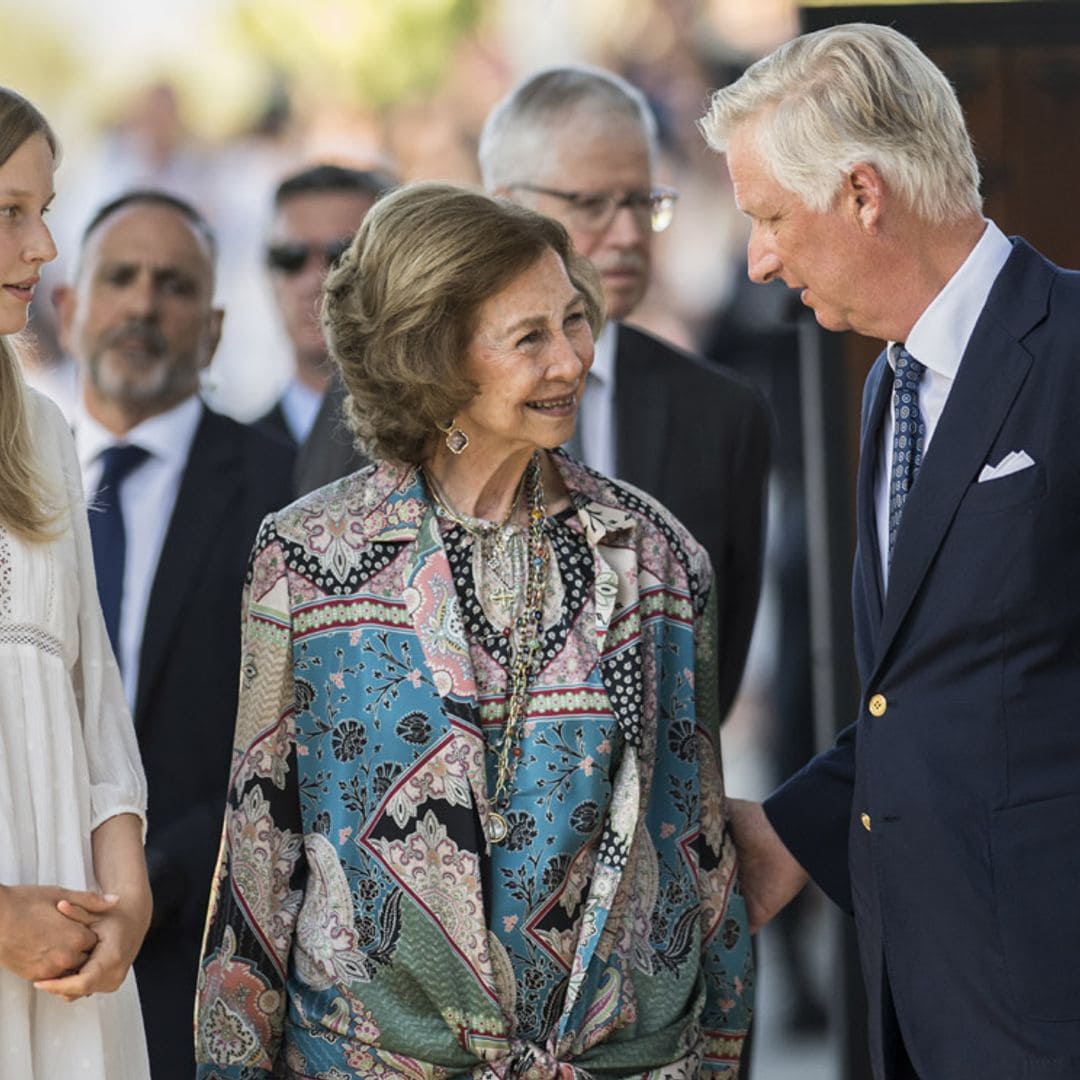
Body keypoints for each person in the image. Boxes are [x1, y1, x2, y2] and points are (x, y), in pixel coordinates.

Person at [195, 181, 753, 1078]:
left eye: (574, 321)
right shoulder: (302, 557)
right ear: (434, 356)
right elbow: (261, 852)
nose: (571, 360)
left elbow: (700, 853)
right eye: (528, 337)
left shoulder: (654, 557)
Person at [700, 22, 1080, 1080]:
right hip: (919, 1009)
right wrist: (788, 836)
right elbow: (932, 690)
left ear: (864, 194)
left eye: (771, 216)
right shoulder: (887, 387)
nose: (758, 259)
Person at [52, 189, 295, 1080]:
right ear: (71, 305)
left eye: (174, 285)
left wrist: (158, 870)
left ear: (216, 326)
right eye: (120, 278)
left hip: (208, 964)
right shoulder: (16, 482)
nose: (144, 305)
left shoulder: (286, 498)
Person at [479, 65, 771, 722]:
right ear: (503, 205)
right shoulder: (416, 403)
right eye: (591, 204)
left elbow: (710, 682)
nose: (629, 233)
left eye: (643, 202)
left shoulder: (723, 415)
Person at [0, 86, 152, 1078]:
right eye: (10, 212)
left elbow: (91, 690)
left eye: (44, 209)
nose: (44, 246)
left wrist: (124, 888)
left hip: (69, 962)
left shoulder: (48, 433)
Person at [256, 163, 395, 492]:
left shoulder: (444, 448)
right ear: (269, 274)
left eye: (342, 256)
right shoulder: (220, 458)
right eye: (290, 256)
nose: (315, 280)